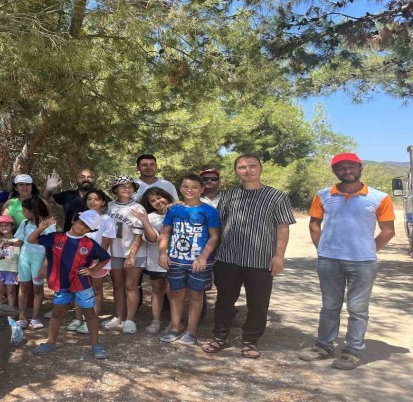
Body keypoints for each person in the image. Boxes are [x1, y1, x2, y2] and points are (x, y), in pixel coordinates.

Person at [298, 153, 395, 370]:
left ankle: (352, 351)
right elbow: (314, 224)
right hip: (329, 261)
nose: (347, 170)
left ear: (360, 168)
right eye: (341, 167)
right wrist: (322, 249)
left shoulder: (379, 197)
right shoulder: (323, 195)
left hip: (363, 263)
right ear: (334, 171)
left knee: (358, 309)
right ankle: (323, 346)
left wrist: (368, 250)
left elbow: (388, 230)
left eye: (351, 166)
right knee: (329, 306)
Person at [201, 155, 295, 359]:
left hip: (260, 260)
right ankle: (219, 337)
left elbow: (282, 227)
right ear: (236, 171)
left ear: (261, 168)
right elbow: (220, 224)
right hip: (228, 258)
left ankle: (250, 340)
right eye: (242, 167)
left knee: (258, 303)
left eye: (252, 166)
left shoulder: (277, 196)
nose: (248, 170)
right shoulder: (229, 195)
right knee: (224, 301)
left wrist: (279, 256)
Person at [28, 210, 112, 359]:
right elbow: (31, 240)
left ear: (90, 231)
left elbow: (105, 258)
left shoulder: (89, 244)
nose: (82, 227)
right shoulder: (55, 237)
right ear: (74, 220)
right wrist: (41, 228)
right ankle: (50, 343)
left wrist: (93, 270)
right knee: (57, 313)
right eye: (81, 222)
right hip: (61, 284)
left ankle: (96, 346)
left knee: (90, 314)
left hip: (82, 284)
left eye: (87, 227)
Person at [158, 174, 221, 345]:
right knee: (176, 294)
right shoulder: (174, 210)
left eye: (194, 187)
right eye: (186, 186)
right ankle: (175, 328)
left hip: (199, 261)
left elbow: (214, 236)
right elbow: (165, 233)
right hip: (176, 259)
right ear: (180, 188)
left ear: (201, 189)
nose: (189, 190)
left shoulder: (209, 211)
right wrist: (162, 253)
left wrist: (203, 257)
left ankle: (191, 331)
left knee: (196, 294)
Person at [102, 175, 148, 334]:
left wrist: (131, 255)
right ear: (115, 189)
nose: (127, 189)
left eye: (130, 186)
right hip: (114, 251)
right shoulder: (109, 206)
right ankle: (119, 317)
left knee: (131, 285)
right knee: (118, 285)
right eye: (122, 186)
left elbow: (138, 235)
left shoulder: (137, 207)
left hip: (134, 252)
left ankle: (130, 319)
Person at [69, 189, 116, 335]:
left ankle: (92, 320)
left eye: (96, 199)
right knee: (78, 288)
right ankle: (78, 319)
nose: (92, 202)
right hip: (79, 260)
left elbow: (106, 242)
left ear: (103, 202)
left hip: (98, 260)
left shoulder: (107, 220)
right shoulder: (80, 217)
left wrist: (96, 261)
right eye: (89, 199)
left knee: (96, 289)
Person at [15, 196, 55, 329]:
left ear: (33, 211)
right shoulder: (25, 223)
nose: (22, 212)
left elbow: (51, 248)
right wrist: (6, 242)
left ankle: (35, 317)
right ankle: (22, 316)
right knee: (23, 287)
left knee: (38, 289)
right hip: (24, 258)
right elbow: (20, 241)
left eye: (24, 210)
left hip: (39, 259)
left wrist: (45, 265)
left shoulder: (49, 225)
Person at [139, 187, 174, 333]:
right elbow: (152, 239)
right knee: (157, 290)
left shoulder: (178, 211)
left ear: (166, 196)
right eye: (152, 201)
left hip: (177, 259)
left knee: (173, 291)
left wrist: (176, 204)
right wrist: (145, 221)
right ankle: (156, 321)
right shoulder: (150, 217)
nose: (157, 202)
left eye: (159, 198)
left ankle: (175, 322)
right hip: (156, 259)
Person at [0, 214, 22, 306]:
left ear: (13, 226)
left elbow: (20, 250)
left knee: (11, 291)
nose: (4, 227)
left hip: (13, 269)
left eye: (6, 225)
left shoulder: (18, 240)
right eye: (1, 226)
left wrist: (20, 271)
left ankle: (10, 311)